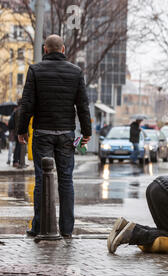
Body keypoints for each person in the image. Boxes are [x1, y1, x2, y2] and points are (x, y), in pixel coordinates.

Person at [17, 34, 92, 238]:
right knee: (66, 180)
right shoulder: (76, 72)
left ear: (45, 49)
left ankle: (39, 226)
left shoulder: (35, 70)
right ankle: (67, 229)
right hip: (66, 133)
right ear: (64, 49)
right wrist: (86, 132)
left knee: (41, 180)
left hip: (42, 133)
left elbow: (27, 104)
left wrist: (22, 129)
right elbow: (83, 105)